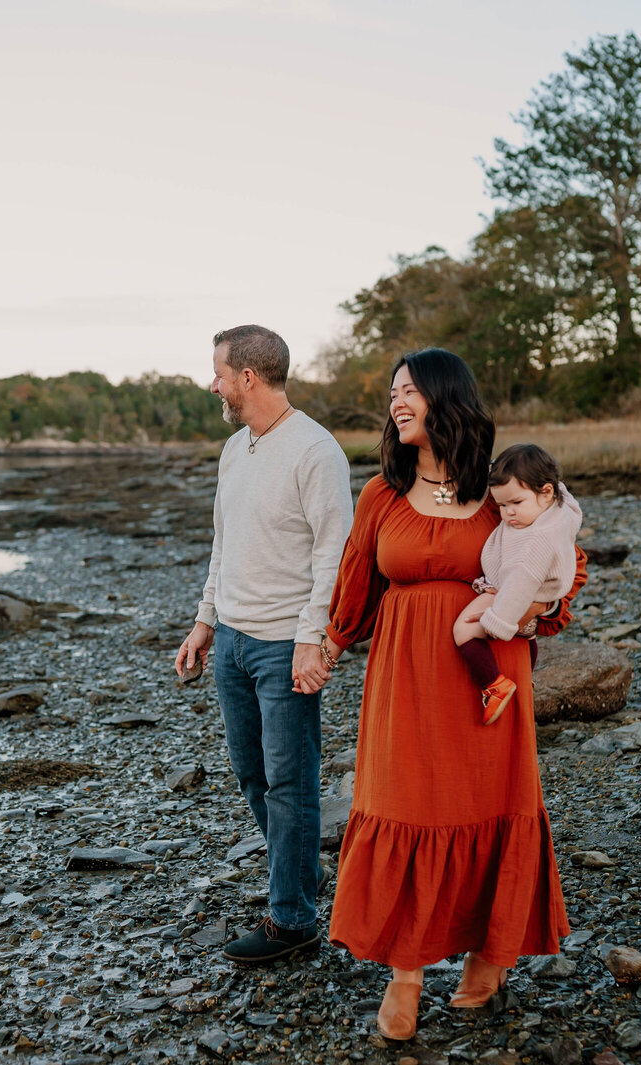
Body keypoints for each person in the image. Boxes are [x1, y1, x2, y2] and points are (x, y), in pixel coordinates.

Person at [320, 349, 586, 1040]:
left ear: (446, 398)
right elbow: (356, 582)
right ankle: (404, 972)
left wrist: (539, 616)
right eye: (391, 393)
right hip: (404, 673)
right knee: (403, 800)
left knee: (489, 801)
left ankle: (489, 952)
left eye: (408, 390)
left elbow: (558, 553)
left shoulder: (499, 483)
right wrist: (326, 645)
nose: (395, 401)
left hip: (487, 676)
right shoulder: (383, 491)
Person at [174, 324, 353, 964]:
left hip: (285, 647)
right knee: (252, 774)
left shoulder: (316, 451)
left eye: (218, 372)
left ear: (248, 377)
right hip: (232, 640)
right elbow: (226, 543)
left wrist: (314, 641)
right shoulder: (234, 448)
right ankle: (298, 873)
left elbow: (335, 556)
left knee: (291, 782)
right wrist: (204, 620)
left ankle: (292, 919)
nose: (212, 383)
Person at [453, 443, 583, 725]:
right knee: (529, 637)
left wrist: (497, 621)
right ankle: (527, 680)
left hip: (518, 598)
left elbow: (520, 584)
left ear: (545, 492)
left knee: (463, 630)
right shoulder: (560, 508)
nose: (508, 513)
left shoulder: (536, 541)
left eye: (516, 503)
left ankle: (493, 685)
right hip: (531, 599)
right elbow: (561, 490)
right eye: (501, 505)